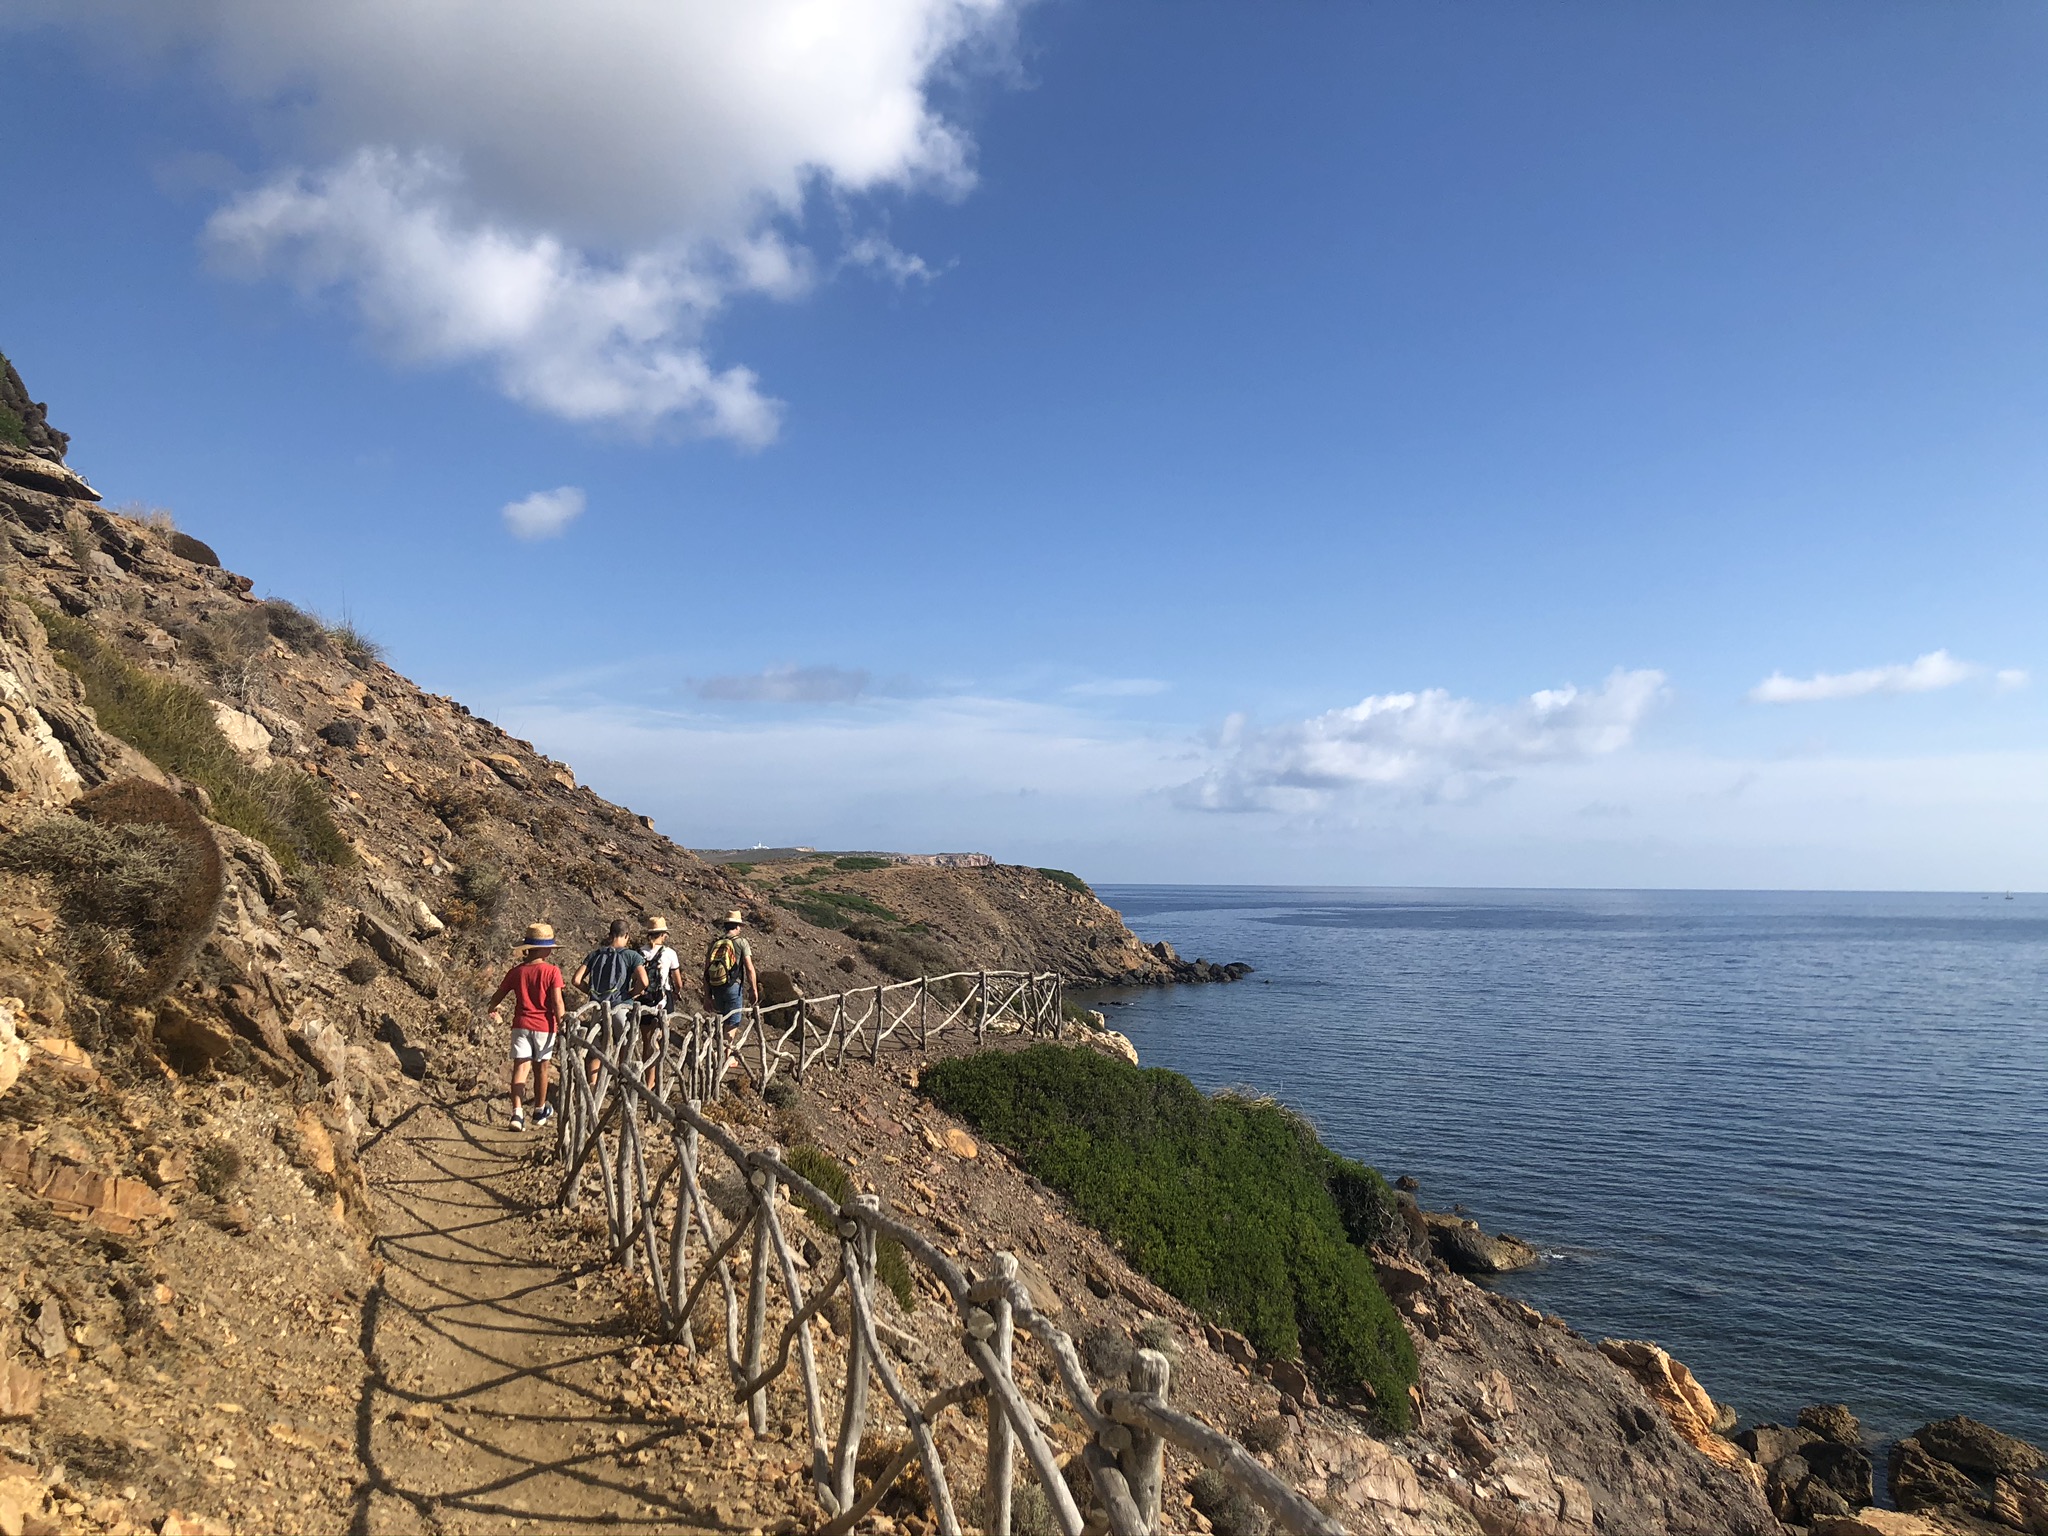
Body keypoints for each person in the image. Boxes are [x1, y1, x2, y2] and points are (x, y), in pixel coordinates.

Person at [485, 922, 564, 1131]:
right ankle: (539, 1110)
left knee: (520, 1068)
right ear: (544, 950)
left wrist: (492, 1007)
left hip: (521, 1024)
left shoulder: (516, 972)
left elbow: (499, 995)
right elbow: (557, 1002)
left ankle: (517, 1113)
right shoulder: (552, 971)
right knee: (542, 1068)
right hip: (544, 1026)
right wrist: (563, 1022)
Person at [703, 909, 759, 1034]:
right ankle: (725, 1047)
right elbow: (749, 968)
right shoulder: (741, 942)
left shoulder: (715, 943)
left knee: (723, 1020)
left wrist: (707, 996)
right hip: (733, 986)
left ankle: (721, 1045)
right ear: (738, 926)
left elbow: (706, 972)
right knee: (733, 1023)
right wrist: (754, 989)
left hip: (716, 986)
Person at [638, 916, 681, 1011]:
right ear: (662, 934)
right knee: (665, 1019)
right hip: (663, 996)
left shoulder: (639, 952)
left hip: (643, 996)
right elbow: (678, 982)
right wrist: (676, 992)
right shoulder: (670, 953)